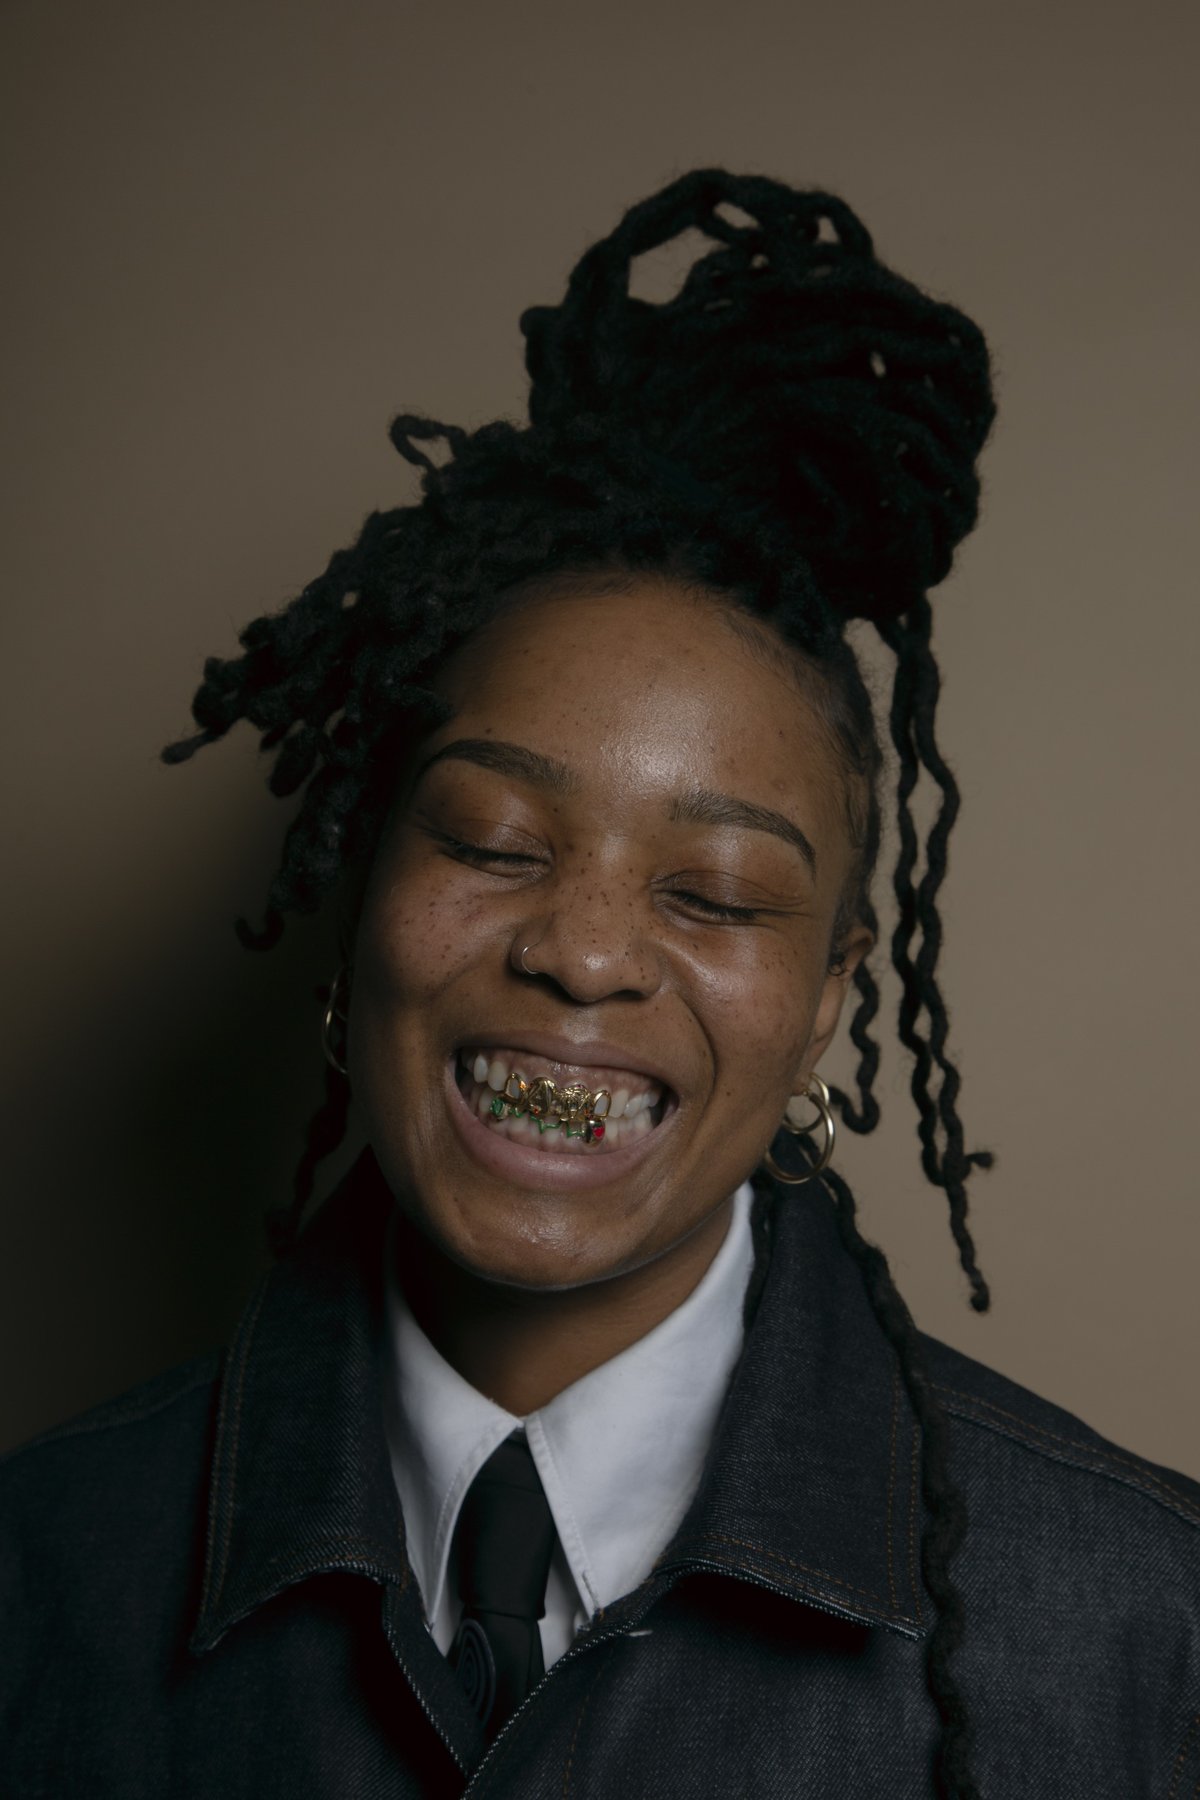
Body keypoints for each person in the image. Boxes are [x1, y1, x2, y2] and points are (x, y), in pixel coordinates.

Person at [2, 168, 1197, 1799]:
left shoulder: (1151, 1633)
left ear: (828, 1002)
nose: (581, 950)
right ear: (359, 906)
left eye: (714, 894)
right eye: (494, 842)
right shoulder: (38, 1582)